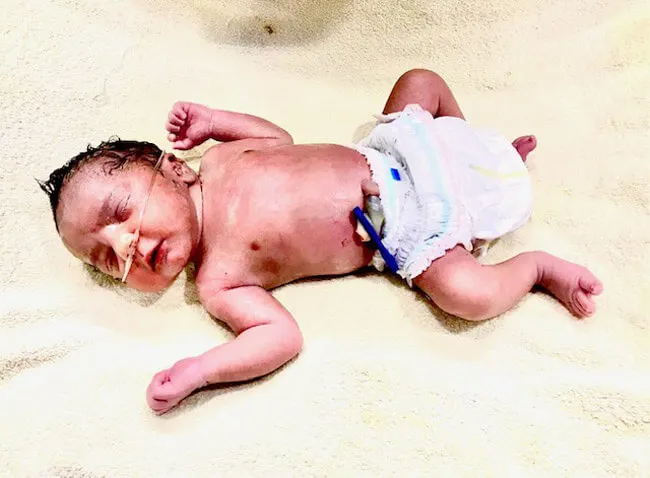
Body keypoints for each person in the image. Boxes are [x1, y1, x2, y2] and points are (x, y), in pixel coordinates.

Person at [38, 69, 603, 414]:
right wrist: (202, 370)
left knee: (420, 82)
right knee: (466, 295)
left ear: (174, 169)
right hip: (406, 227)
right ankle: (536, 269)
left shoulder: (221, 159)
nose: (125, 246)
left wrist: (215, 120)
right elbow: (280, 336)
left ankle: (470, 147)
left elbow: (278, 139)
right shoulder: (217, 281)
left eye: (120, 213)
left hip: (396, 152)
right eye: (106, 260)